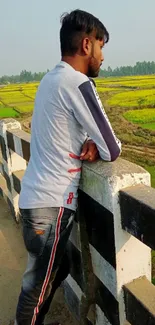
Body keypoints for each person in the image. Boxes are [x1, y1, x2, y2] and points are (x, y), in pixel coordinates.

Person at [14, 9, 121, 325]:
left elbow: (71, 130)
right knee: (34, 290)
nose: (102, 57)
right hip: (51, 208)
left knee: (59, 267)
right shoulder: (78, 83)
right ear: (87, 45)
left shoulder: (51, 79)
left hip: (36, 202)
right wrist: (97, 144)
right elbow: (112, 147)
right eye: (101, 47)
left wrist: (88, 139)